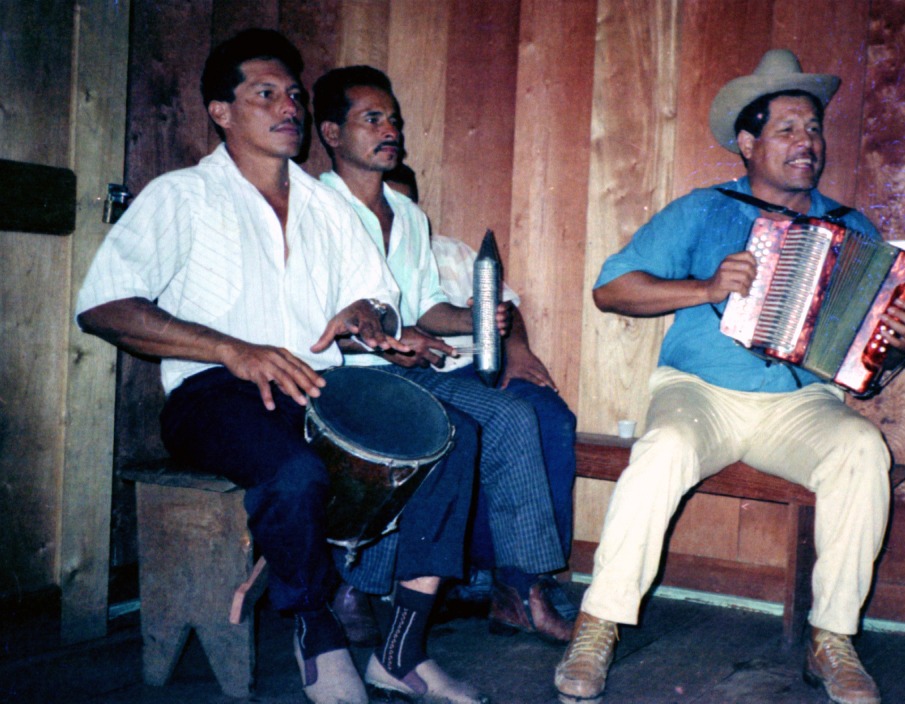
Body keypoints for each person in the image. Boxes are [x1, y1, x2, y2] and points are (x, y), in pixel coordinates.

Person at [74, 29, 485, 704]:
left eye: (293, 94)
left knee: (453, 438)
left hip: (319, 383)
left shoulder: (327, 207)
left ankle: (401, 652)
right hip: (213, 391)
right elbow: (103, 306)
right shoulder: (182, 195)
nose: (289, 107)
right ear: (221, 112)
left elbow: (377, 297)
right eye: (265, 94)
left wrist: (368, 317)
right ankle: (314, 627)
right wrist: (231, 349)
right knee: (294, 471)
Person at [553, 49, 905, 704]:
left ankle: (831, 639)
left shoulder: (852, 228)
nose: (807, 142)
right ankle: (598, 625)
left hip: (800, 403)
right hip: (700, 393)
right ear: (748, 144)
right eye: (786, 129)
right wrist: (704, 288)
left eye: (813, 128)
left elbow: (868, 360)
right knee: (664, 448)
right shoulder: (704, 210)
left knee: (861, 449)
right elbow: (611, 290)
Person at [311, 65, 577, 649]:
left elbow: (428, 308)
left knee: (514, 415)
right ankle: (354, 584)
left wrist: (480, 319)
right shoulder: (310, 207)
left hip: (408, 370)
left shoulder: (408, 215)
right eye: (372, 119)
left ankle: (520, 587)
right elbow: (312, 319)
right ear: (331, 133)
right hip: (341, 375)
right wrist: (391, 338)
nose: (391, 131)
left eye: (394, 121)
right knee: (426, 433)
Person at [387, 164, 578, 621]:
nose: (394, 213)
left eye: (404, 203)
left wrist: (518, 350)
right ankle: (479, 572)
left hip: (481, 367)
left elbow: (504, 307)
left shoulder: (449, 251)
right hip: (418, 376)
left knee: (551, 418)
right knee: (480, 427)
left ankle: (531, 576)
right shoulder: (362, 252)